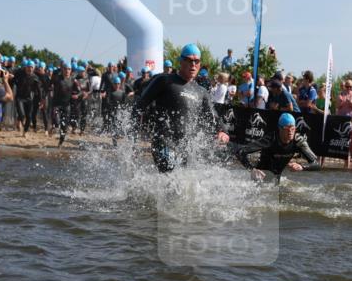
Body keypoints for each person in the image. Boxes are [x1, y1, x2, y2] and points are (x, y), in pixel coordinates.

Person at [133, 43, 229, 173]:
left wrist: (222, 131)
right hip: (164, 141)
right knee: (172, 175)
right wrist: (132, 134)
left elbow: (213, 116)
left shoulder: (201, 92)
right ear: (181, 61)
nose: (193, 64)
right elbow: (140, 104)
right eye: (189, 60)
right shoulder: (164, 81)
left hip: (186, 146)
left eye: (196, 61)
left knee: (185, 183)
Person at [238, 112, 320, 181]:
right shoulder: (270, 139)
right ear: (280, 129)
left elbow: (316, 164)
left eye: (292, 128)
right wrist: (252, 170)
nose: (290, 132)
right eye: (286, 128)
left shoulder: (298, 141)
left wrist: (302, 167)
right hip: (260, 178)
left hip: (277, 179)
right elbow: (240, 152)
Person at [50, 63, 81, 147]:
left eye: (69, 69)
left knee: (64, 126)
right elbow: (49, 85)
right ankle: (53, 127)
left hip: (66, 105)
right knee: (56, 121)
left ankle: (60, 142)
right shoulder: (57, 79)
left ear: (70, 70)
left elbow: (79, 91)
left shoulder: (73, 80)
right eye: (65, 69)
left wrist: (77, 95)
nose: (67, 71)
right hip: (56, 104)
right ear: (62, 70)